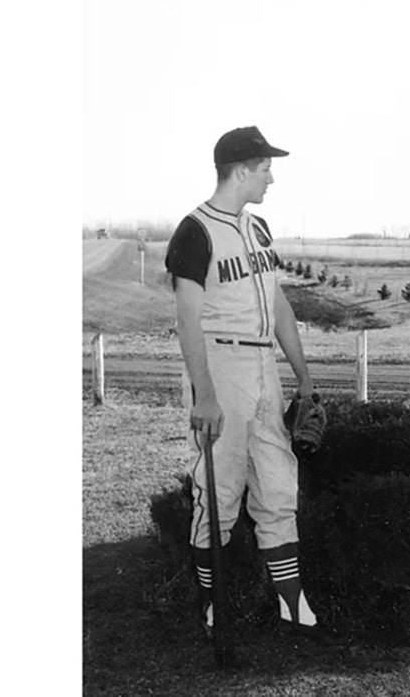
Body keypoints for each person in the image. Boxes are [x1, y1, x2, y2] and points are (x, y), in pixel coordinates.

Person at [164, 125, 321, 637]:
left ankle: (292, 604)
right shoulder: (195, 230)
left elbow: (277, 305)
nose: (271, 177)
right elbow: (188, 320)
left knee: (278, 482)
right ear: (241, 170)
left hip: (263, 368)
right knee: (221, 488)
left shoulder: (259, 230)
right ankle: (215, 607)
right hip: (221, 364)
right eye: (266, 168)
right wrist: (204, 395)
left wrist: (301, 373)